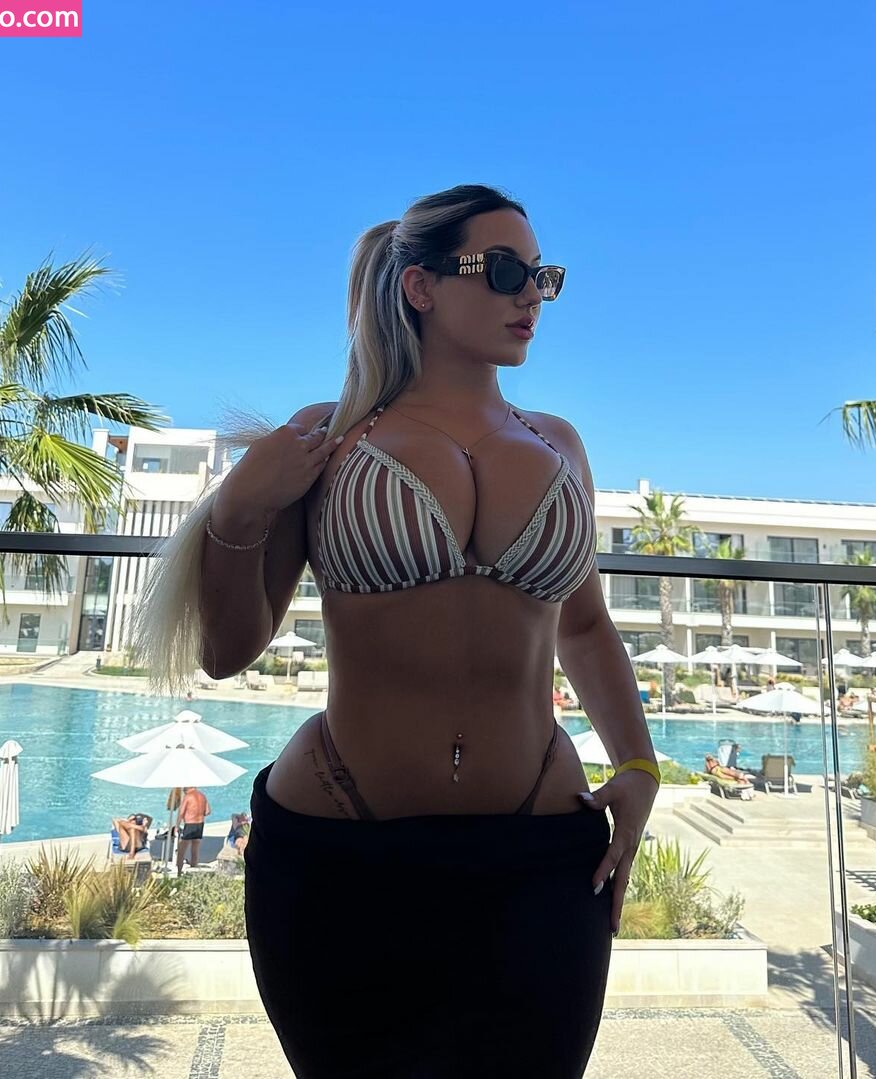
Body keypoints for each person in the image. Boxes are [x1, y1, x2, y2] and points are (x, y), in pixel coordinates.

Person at [131, 184, 661, 1077]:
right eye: (505, 271)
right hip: (342, 848)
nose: (532, 295)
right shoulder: (327, 439)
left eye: (544, 276)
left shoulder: (560, 443)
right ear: (421, 286)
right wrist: (238, 512)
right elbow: (227, 651)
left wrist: (640, 768)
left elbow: (586, 625)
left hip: (540, 851)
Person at [176, 786, 211, 875]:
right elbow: (207, 811)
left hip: (190, 824)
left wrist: (177, 826)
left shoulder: (188, 797)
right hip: (200, 824)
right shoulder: (202, 796)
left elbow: (181, 813)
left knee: (181, 850)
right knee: (195, 849)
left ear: (186, 788)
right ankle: (193, 869)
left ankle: (179, 872)